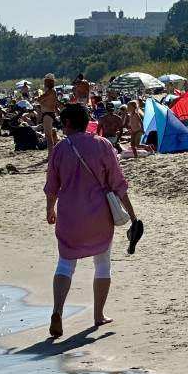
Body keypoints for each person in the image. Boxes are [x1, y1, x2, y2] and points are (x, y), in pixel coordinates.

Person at [44, 103, 139, 339]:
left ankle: (57, 311)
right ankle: (98, 314)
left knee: (66, 263)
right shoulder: (102, 144)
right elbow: (118, 183)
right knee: (103, 263)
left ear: (67, 124)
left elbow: (52, 188)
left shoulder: (60, 149)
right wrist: (133, 215)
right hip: (99, 214)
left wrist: (50, 210)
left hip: (69, 215)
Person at [37, 74, 60, 149]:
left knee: (48, 136)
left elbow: (39, 100)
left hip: (47, 114)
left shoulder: (50, 91)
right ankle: (53, 151)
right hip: (49, 113)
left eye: (45, 82)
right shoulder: (52, 92)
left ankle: (51, 154)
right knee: (49, 134)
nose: (44, 83)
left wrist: (42, 100)